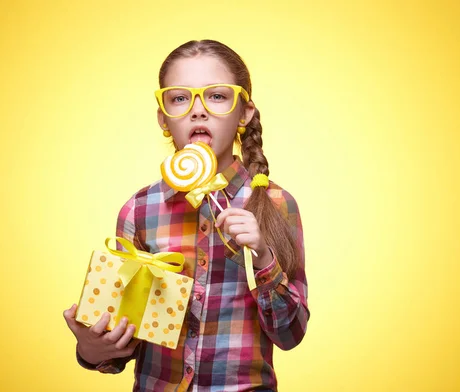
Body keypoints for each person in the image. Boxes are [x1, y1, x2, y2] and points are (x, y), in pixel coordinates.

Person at [63, 39, 310, 392]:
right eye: (180, 98)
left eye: (217, 96)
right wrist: (91, 349)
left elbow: (291, 334)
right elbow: (119, 345)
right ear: (163, 118)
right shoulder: (141, 210)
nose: (197, 110)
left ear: (244, 113)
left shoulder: (275, 204)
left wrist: (263, 258)